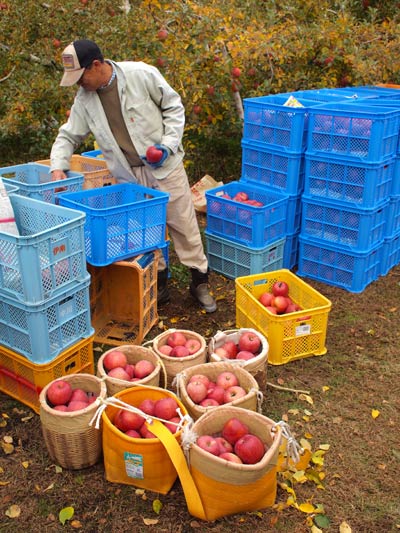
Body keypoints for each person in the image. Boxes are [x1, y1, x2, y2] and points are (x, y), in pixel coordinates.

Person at [50, 39, 217, 313]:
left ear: (96, 65)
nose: (80, 85)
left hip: (164, 165)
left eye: (81, 78)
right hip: (128, 176)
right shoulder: (85, 99)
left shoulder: (141, 74)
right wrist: (58, 165)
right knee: (144, 231)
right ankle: (159, 282)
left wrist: (168, 144)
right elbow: (69, 134)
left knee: (182, 223)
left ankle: (199, 281)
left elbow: (174, 107)